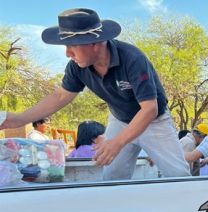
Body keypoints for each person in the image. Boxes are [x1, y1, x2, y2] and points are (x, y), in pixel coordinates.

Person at [0, 8, 190, 180]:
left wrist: (117, 142)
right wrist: (19, 119)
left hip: (154, 121)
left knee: (178, 175)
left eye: (72, 46)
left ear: (95, 43)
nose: (68, 53)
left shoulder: (133, 59)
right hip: (120, 120)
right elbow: (60, 96)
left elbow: (149, 109)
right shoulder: (77, 68)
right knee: (112, 177)